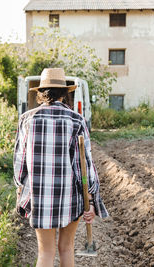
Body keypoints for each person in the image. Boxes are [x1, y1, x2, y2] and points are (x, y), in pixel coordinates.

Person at [13, 68, 108, 267]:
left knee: (45, 252)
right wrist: (90, 198)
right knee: (66, 248)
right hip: (70, 196)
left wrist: (21, 188)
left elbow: (20, 163)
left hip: (39, 195)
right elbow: (85, 165)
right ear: (65, 93)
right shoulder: (76, 120)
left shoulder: (27, 119)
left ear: (40, 92)